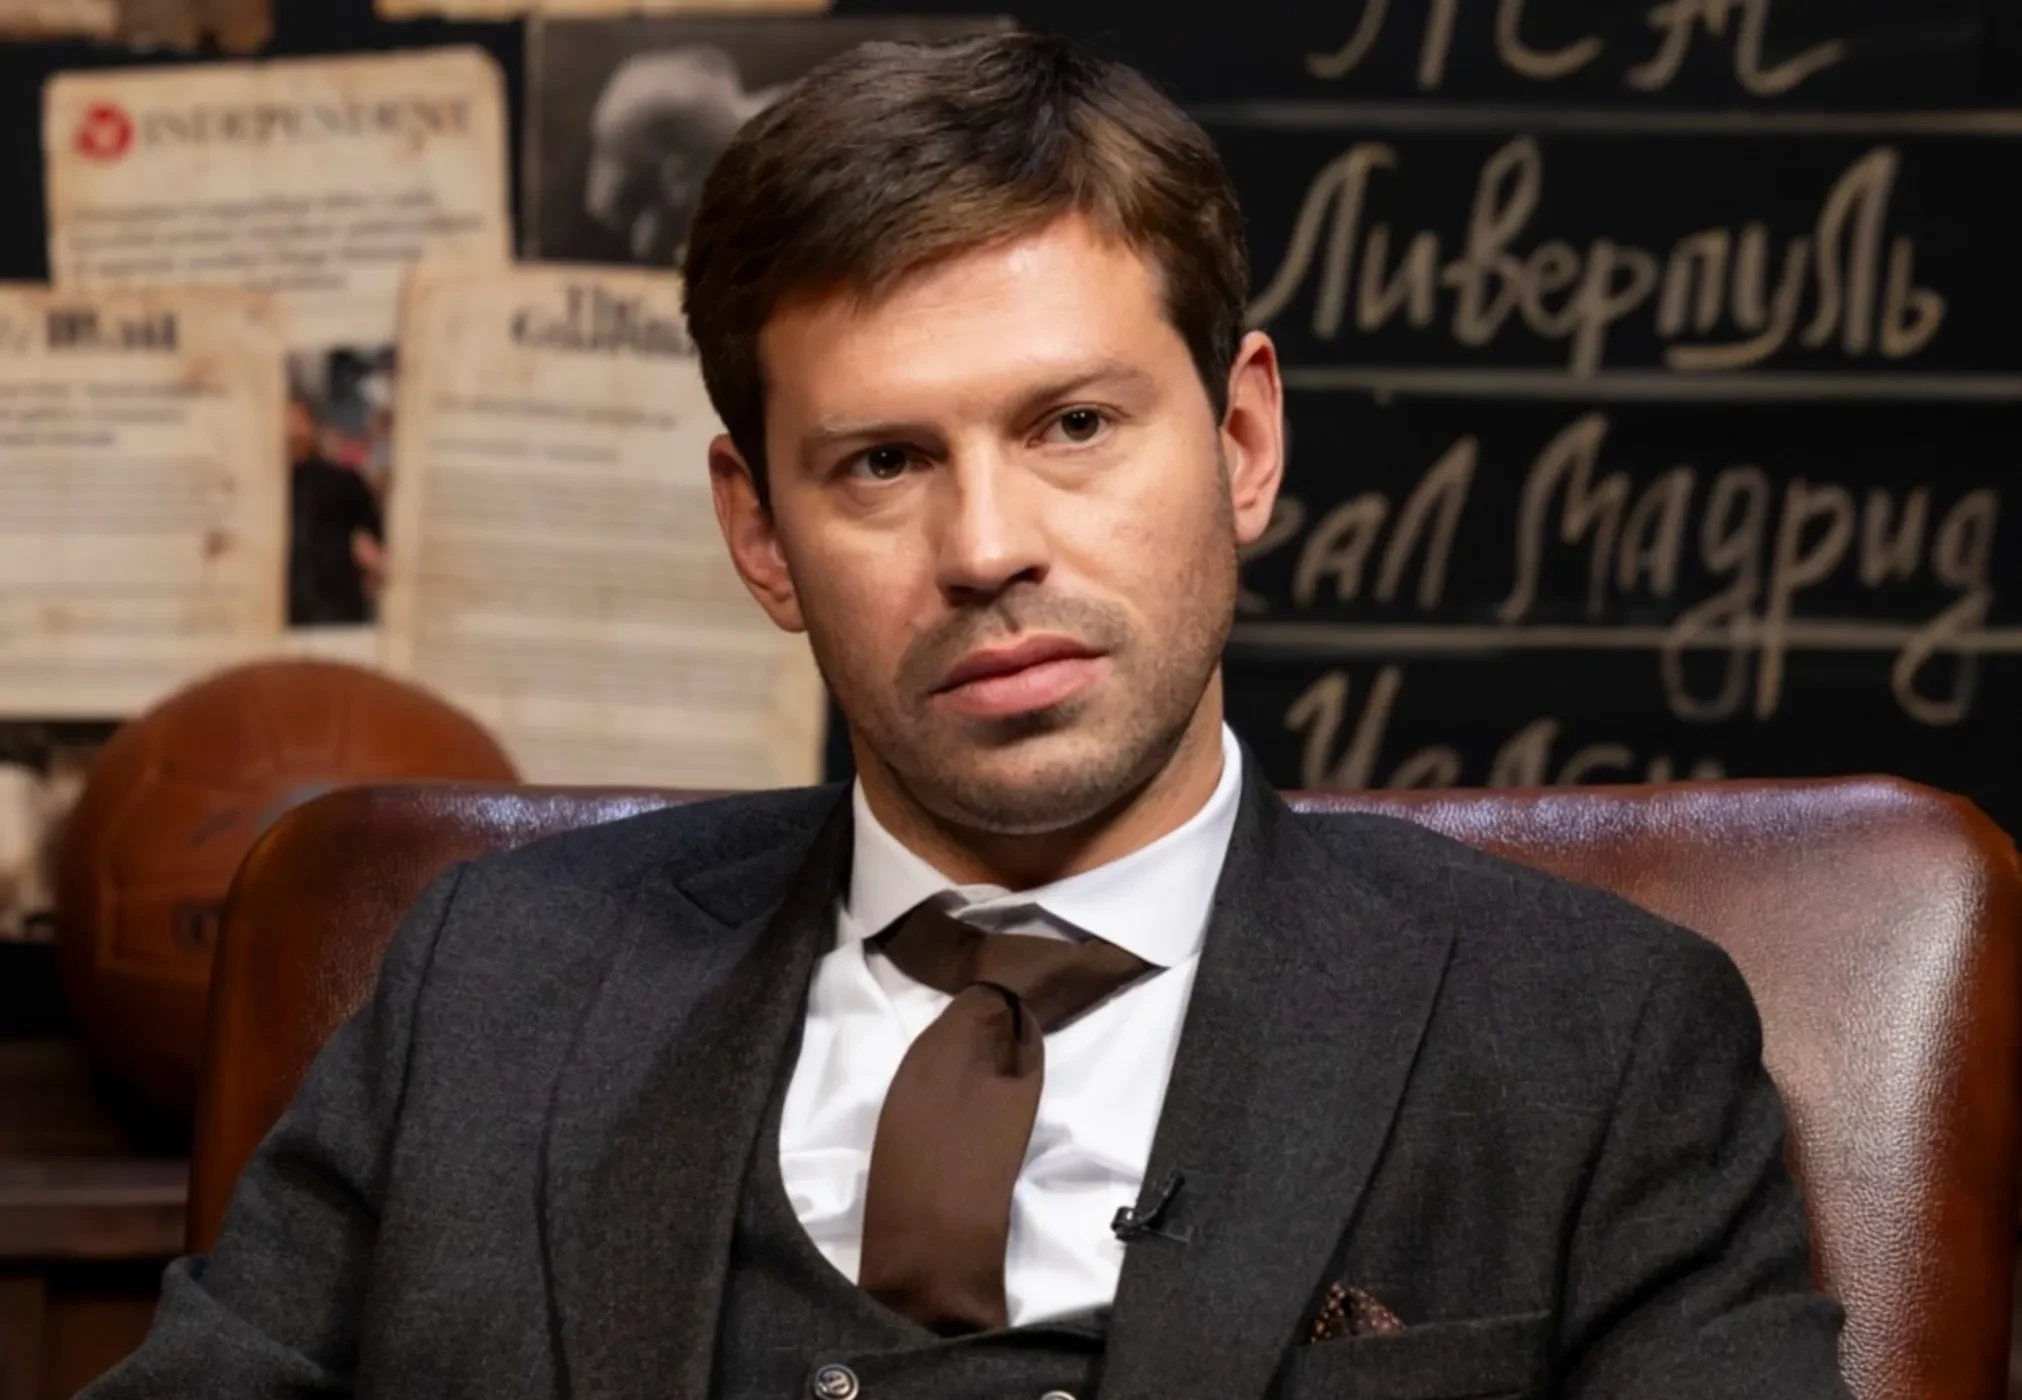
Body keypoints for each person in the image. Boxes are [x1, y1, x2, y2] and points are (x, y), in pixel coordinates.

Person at [88, 33, 1850, 1400]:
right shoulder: (496, 984)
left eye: (1073, 425)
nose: (986, 546)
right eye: (880, 463)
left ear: (1241, 442)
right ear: (759, 535)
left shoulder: (1591, 1041)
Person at [286, 396, 384, 626]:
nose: (289, 429)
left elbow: (373, 536)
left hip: (333, 610)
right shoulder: (257, 488)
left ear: (310, 425)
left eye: (296, 420)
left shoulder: (342, 480)